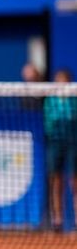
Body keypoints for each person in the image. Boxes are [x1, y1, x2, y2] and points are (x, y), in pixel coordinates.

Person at [44, 69, 77, 232]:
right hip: (55, 144)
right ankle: (57, 220)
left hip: (73, 143)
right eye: (58, 80)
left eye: (63, 80)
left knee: (74, 181)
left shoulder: (74, 100)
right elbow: (48, 123)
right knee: (56, 181)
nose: (61, 83)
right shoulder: (50, 100)